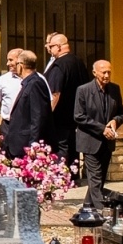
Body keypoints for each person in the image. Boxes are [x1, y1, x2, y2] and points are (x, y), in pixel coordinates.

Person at [73, 59, 123, 210]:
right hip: (90, 141)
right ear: (95, 72)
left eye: (109, 72)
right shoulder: (83, 90)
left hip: (107, 142)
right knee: (95, 178)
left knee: (100, 178)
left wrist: (115, 121)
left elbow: (121, 113)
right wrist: (102, 129)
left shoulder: (115, 89)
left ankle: (87, 207)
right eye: (104, 72)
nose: (107, 75)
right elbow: (79, 116)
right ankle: (101, 212)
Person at [44, 32, 89, 168]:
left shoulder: (59, 65)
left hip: (60, 116)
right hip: (76, 114)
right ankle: (74, 175)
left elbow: (55, 93)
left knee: (61, 146)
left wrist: (48, 115)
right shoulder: (78, 62)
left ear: (58, 47)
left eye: (51, 46)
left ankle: (61, 176)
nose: (49, 49)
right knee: (72, 145)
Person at [3, 50, 52, 158]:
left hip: (25, 144)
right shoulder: (28, 82)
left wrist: (34, 144)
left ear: (21, 65)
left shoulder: (35, 83)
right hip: (17, 143)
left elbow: (38, 116)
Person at [0, 48, 24, 140]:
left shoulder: (38, 79)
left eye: (11, 60)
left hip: (28, 126)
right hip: (8, 126)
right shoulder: (3, 80)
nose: (7, 64)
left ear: (21, 60)